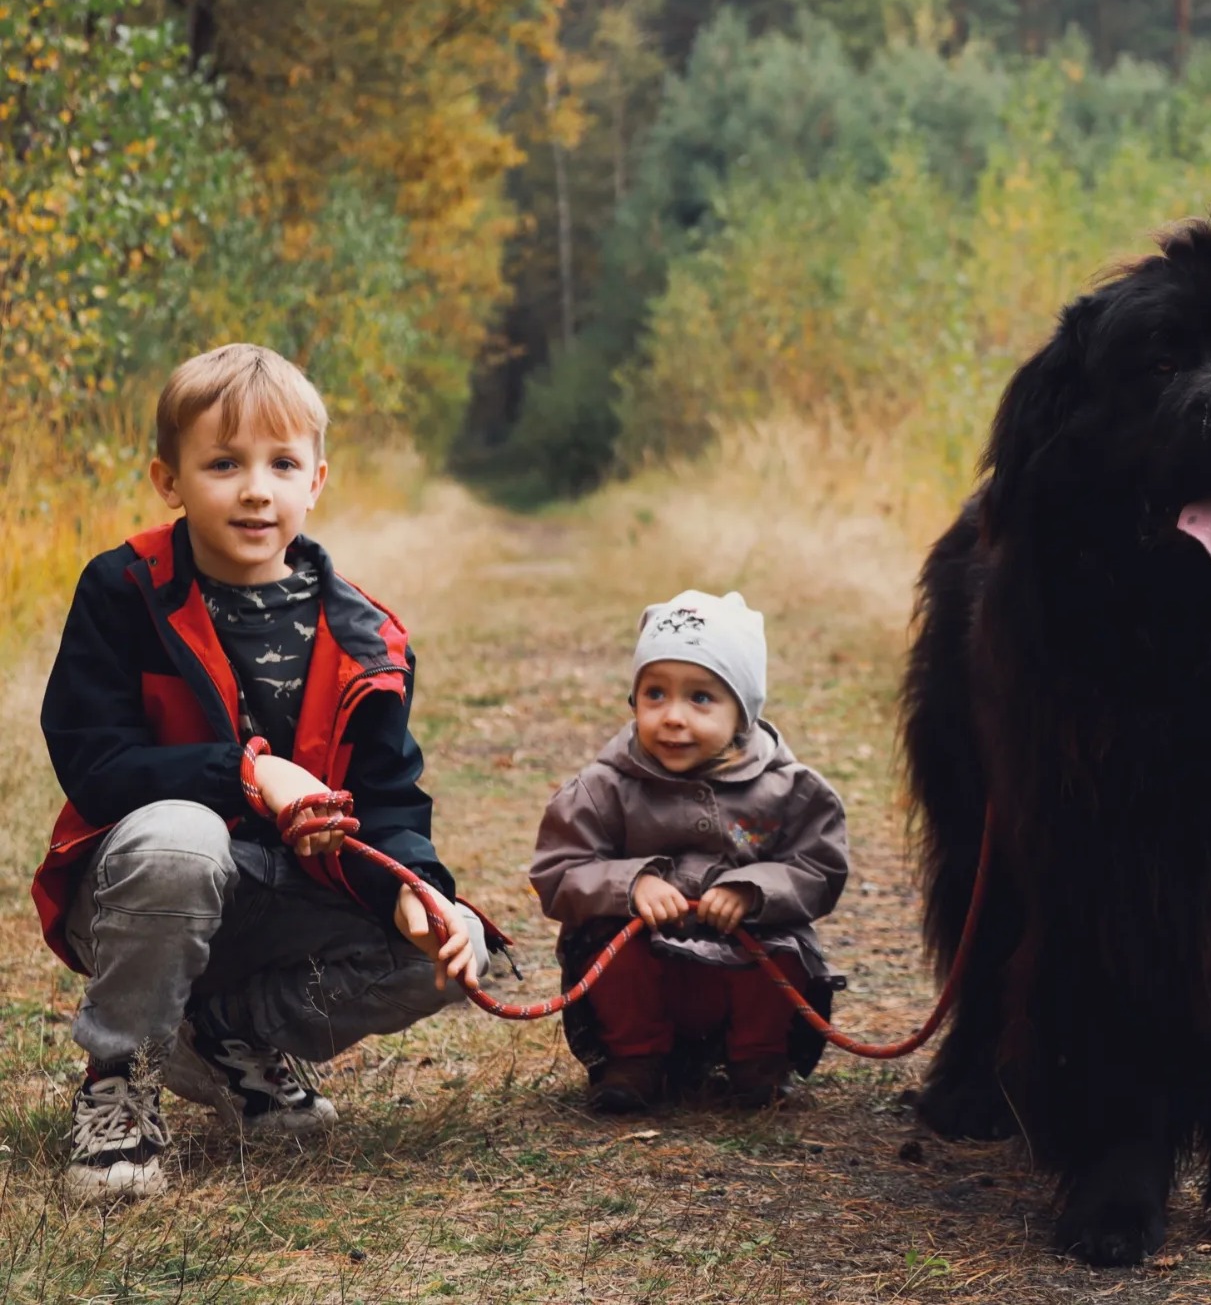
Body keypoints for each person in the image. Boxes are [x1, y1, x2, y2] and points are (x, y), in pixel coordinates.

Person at [35, 342, 490, 1201]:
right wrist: (250, 773)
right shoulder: (124, 590)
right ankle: (120, 1077)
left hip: (280, 893)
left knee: (454, 940)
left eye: (282, 463)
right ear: (169, 479)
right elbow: (96, 764)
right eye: (223, 463)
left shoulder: (365, 636)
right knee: (185, 835)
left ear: (316, 479)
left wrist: (416, 886)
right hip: (142, 887)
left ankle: (224, 1032)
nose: (256, 488)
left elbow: (390, 796)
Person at [530, 589, 849, 1113]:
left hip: (740, 976)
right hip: (649, 976)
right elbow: (558, 870)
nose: (673, 716)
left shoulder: (789, 790)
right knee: (611, 947)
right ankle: (633, 1061)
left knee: (781, 947)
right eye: (655, 694)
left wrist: (755, 890)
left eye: (701, 698)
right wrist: (632, 884)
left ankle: (759, 1061)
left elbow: (820, 866)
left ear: (742, 713)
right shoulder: (603, 788)